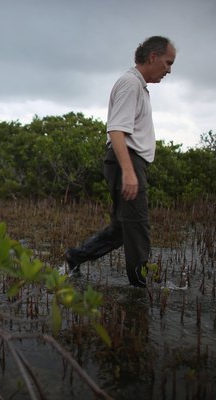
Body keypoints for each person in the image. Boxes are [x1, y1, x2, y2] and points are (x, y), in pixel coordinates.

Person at [64, 36, 176, 287]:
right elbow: (116, 131)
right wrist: (129, 171)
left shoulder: (137, 85)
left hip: (129, 160)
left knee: (121, 228)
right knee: (137, 226)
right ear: (152, 57)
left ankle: (75, 256)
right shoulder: (130, 84)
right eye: (168, 63)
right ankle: (140, 286)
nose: (169, 70)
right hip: (126, 159)